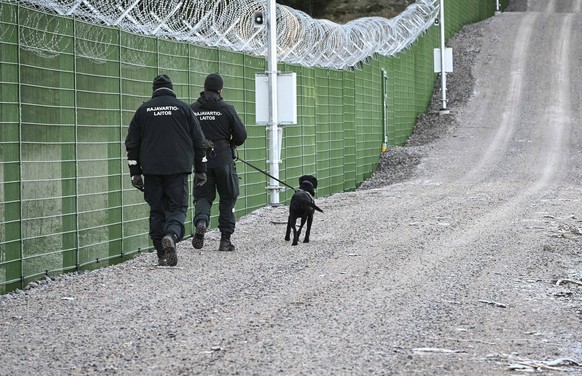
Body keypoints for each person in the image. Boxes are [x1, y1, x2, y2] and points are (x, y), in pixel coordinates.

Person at [125, 74, 207, 266]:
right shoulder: (184, 109)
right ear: (172, 88)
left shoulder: (142, 111)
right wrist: (201, 169)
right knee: (177, 207)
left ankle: (161, 253)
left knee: (156, 210)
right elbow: (199, 141)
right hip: (178, 169)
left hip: (151, 170)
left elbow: (131, 144)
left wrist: (135, 172)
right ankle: (171, 235)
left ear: (154, 90)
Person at [191, 73, 247, 252]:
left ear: (204, 88)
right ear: (220, 90)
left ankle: (201, 222)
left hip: (201, 160)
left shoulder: (193, 109)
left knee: (203, 196)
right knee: (228, 197)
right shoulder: (226, 109)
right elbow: (241, 135)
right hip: (223, 158)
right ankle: (225, 239)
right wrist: (230, 144)